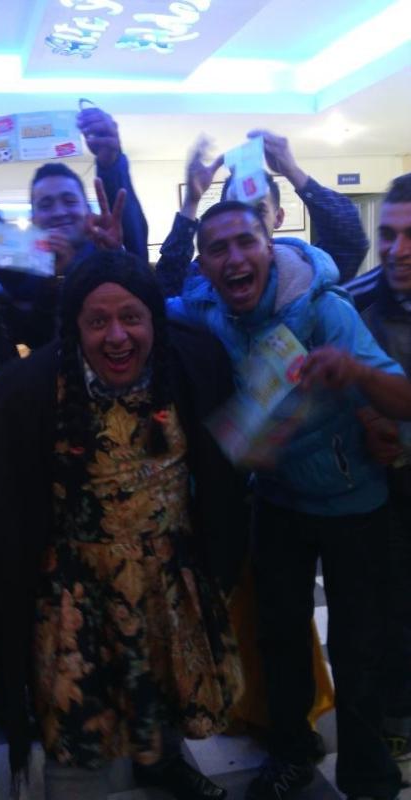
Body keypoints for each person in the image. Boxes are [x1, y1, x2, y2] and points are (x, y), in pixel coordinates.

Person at [0, 250, 248, 800]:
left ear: (154, 320)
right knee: (77, 737)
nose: (116, 336)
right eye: (97, 321)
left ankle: (162, 765)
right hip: (76, 598)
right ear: (76, 328)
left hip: (167, 584)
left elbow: (230, 451)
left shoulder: (193, 362)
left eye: (131, 317)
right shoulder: (34, 388)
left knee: (162, 696)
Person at [166, 200, 411, 800]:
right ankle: (293, 751)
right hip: (276, 501)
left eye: (245, 242)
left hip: (354, 502)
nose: (234, 258)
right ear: (206, 265)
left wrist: (354, 372)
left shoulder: (325, 310)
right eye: (218, 249)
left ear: (269, 247)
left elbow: (404, 399)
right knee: (278, 637)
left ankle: (368, 777)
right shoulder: (206, 309)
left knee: (357, 648)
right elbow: (149, 308)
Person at [346, 172, 411, 782]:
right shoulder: (360, 302)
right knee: (393, 607)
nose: (398, 250)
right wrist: (368, 415)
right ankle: (398, 722)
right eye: (388, 235)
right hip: (392, 487)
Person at [156, 130, 368, 298]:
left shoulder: (303, 267)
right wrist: (191, 202)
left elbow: (350, 244)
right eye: (235, 210)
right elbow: (165, 289)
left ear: (279, 217)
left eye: (258, 210)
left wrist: (293, 172)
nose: (244, 223)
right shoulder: (205, 272)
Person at [0, 106, 148, 278]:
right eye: (46, 205)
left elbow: (134, 243)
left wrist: (111, 164)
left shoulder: (114, 260)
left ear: (88, 211)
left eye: (69, 201)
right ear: (33, 219)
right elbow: (1, 253)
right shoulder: (21, 275)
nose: (59, 212)